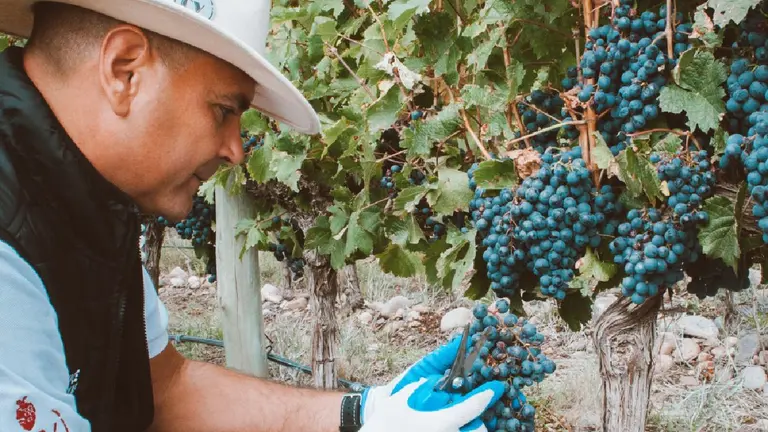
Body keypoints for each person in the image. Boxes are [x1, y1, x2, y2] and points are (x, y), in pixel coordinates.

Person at [0, 1, 505, 431]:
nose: (237, 151)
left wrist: (366, 412)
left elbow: (167, 389)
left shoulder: (79, 204)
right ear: (124, 70)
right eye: (224, 110)